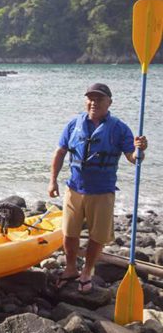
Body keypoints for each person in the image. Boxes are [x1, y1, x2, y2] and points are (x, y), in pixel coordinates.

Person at [48, 83, 148, 293]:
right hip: (74, 188)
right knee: (69, 232)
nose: (94, 102)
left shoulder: (119, 128)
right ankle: (70, 268)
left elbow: (132, 157)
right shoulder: (74, 124)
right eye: (90, 98)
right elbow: (60, 152)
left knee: (97, 235)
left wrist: (139, 150)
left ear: (109, 103)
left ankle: (87, 272)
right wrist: (53, 181)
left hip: (102, 191)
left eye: (99, 99)